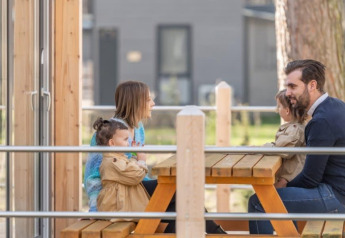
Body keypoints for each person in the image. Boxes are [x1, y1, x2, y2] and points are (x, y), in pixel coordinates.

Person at [249, 59, 345, 234]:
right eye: (287, 87)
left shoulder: (321, 121)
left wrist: (285, 185)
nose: (288, 93)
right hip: (338, 191)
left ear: (312, 85)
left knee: (259, 202)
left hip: (336, 197)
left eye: (293, 87)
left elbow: (310, 179)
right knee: (278, 200)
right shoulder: (335, 105)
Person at [93, 117, 149, 222]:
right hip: (118, 209)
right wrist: (141, 161)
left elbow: (128, 168)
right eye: (125, 139)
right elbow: (135, 176)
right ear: (112, 143)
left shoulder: (117, 159)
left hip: (124, 207)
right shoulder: (112, 161)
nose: (128, 143)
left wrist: (134, 158)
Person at [264, 89, 306, 188]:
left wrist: (261, 148)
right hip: (286, 178)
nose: (277, 110)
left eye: (279, 106)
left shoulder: (295, 130)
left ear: (287, 110)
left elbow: (281, 149)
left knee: (263, 199)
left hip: (288, 181)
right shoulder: (294, 127)